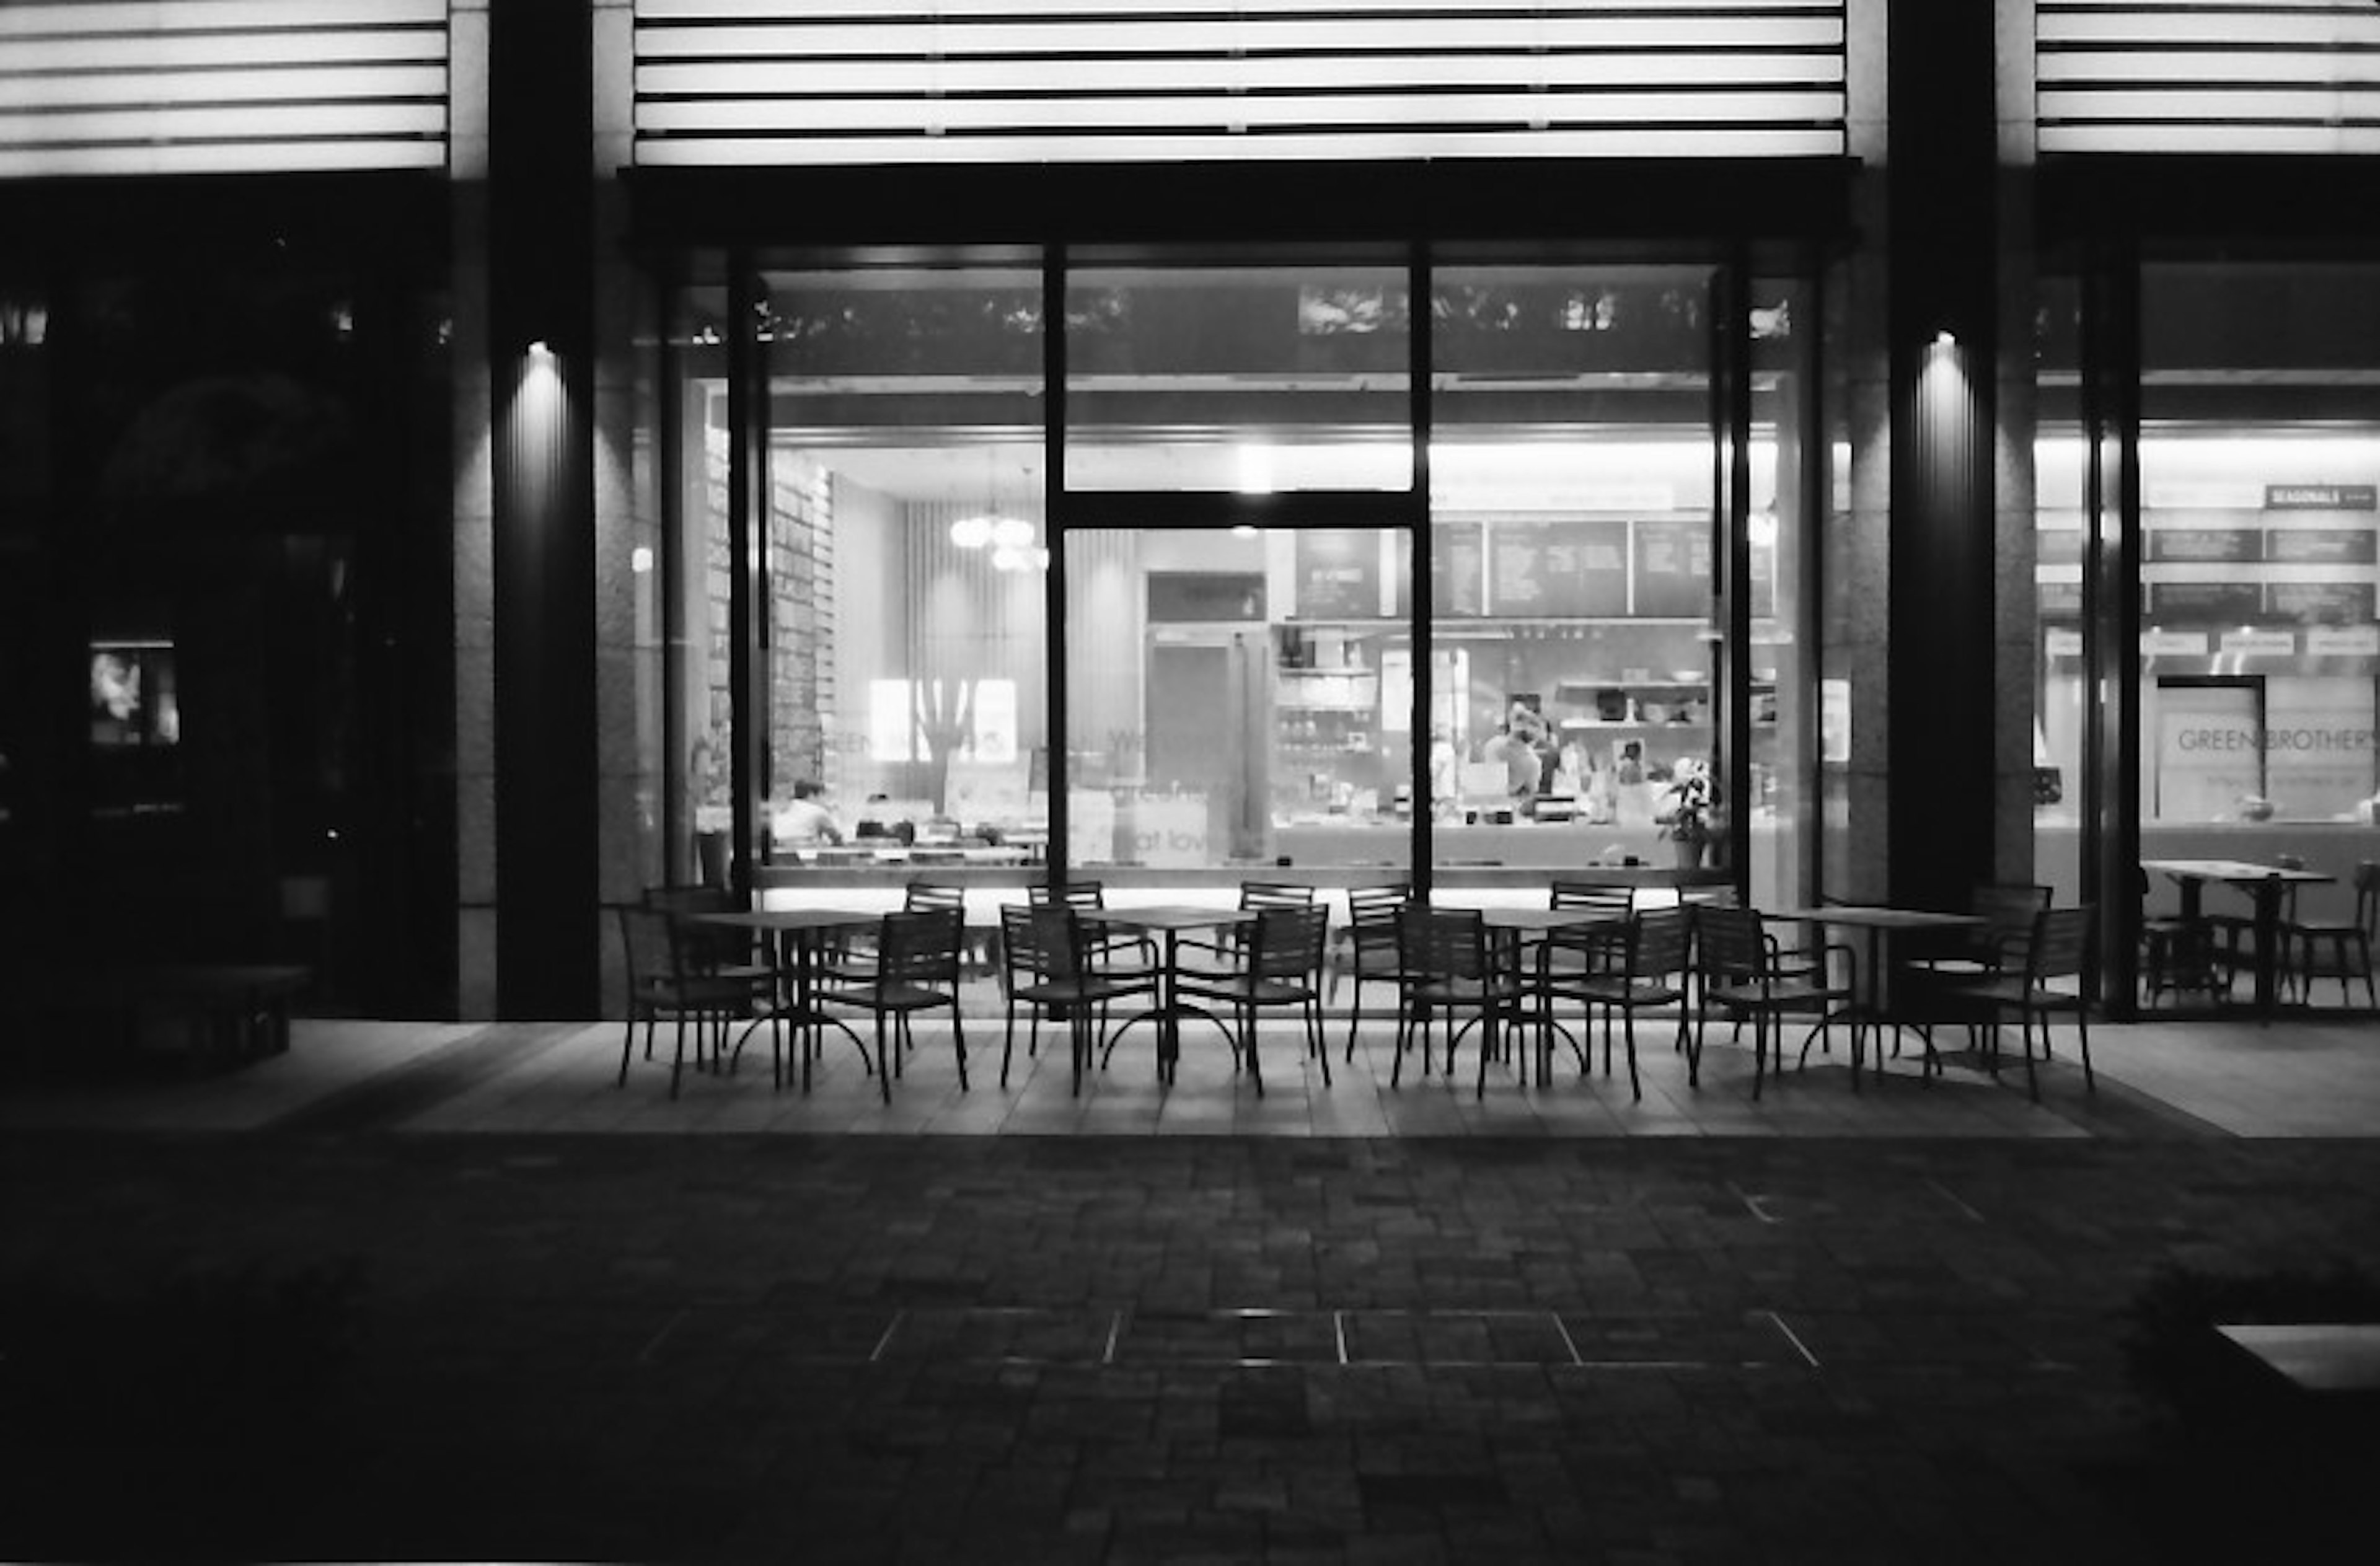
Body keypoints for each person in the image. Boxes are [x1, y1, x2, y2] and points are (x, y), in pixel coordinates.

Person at [774, 778, 844, 847]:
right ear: (811, 795)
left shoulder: (780, 809)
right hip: (805, 852)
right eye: (823, 796)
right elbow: (837, 838)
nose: (825, 801)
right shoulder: (818, 811)